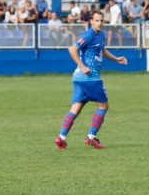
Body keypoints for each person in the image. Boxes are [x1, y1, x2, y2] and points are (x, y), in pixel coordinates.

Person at [54, 10, 128, 150]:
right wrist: (83, 66)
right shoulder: (89, 35)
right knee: (103, 106)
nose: (99, 23)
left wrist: (116, 59)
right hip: (90, 78)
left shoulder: (100, 35)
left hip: (79, 79)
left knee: (76, 108)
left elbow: (102, 50)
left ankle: (61, 138)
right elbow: (72, 49)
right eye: (97, 20)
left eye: (102, 20)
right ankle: (91, 138)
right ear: (91, 21)